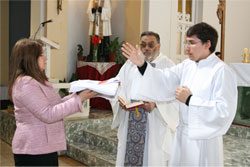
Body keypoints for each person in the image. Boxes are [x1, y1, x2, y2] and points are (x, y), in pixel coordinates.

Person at [121, 22, 238, 166]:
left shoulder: (222, 71)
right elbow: (164, 80)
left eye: (192, 43)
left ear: (207, 44)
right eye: (186, 43)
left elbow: (224, 111)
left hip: (204, 140)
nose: (186, 48)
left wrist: (190, 100)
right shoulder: (187, 65)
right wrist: (142, 65)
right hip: (182, 135)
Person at [8, 38, 97, 166]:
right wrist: (79, 99)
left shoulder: (36, 81)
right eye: (41, 55)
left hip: (43, 146)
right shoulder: (26, 84)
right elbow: (48, 114)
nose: (45, 58)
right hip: (34, 149)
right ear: (30, 59)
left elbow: (53, 105)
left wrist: (77, 96)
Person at [110, 31, 179, 166]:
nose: (146, 48)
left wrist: (156, 105)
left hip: (155, 122)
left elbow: (175, 95)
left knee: (152, 158)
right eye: (143, 45)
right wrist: (121, 100)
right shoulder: (130, 64)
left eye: (151, 45)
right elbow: (118, 84)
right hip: (130, 120)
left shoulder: (168, 65)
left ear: (158, 46)